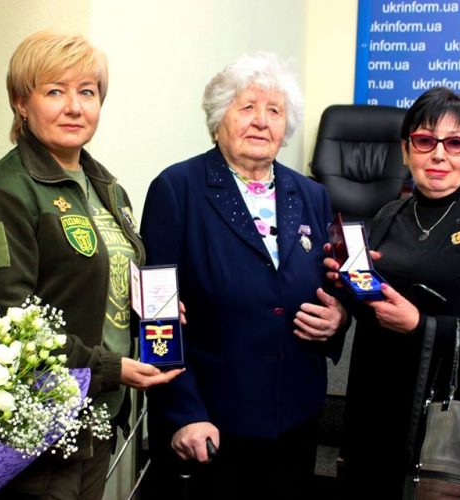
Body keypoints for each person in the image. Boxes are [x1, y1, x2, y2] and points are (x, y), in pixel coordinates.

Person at [0, 32, 182, 500]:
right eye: (54, 91)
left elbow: (100, 285)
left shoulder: (107, 188)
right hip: (40, 433)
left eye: (87, 92)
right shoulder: (3, 191)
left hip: (97, 419)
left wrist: (152, 311)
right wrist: (109, 368)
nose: (74, 107)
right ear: (21, 103)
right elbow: (6, 321)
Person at [140, 53, 348, 500]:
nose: (261, 121)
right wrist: (184, 412)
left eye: (274, 110)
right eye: (247, 107)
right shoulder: (177, 189)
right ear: (220, 118)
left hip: (295, 412)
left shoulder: (311, 194)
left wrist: (339, 318)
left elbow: (329, 284)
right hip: (212, 420)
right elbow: (156, 314)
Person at [332, 87, 460, 498]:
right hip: (383, 399)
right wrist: (346, 286)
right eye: (425, 141)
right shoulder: (388, 214)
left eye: (455, 142)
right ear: (406, 151)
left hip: (458, 413)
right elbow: (378, 301)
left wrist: (422, 325)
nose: (439, 154)